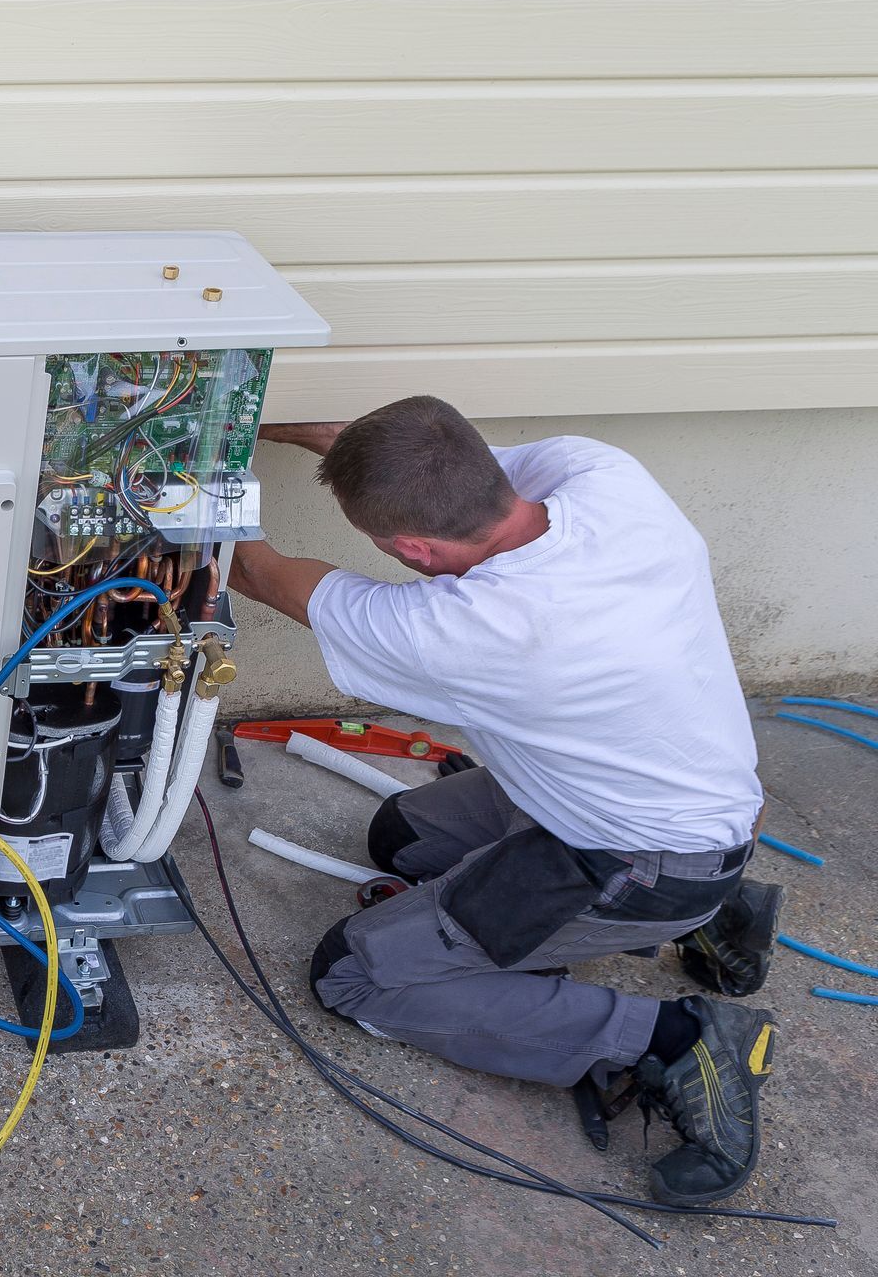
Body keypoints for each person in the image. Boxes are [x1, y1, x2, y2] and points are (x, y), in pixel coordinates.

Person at [224, 395, 782, 1207]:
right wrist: (233, 420)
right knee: (402, 838)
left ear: (412, 547)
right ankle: (720, 909)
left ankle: (677, 1040)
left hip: (634, 859)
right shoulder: (604, 478)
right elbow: (368, 444)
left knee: (356, 975)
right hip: (673, 798)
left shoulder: (478, 627)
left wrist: (204, 467)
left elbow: (249, 569)